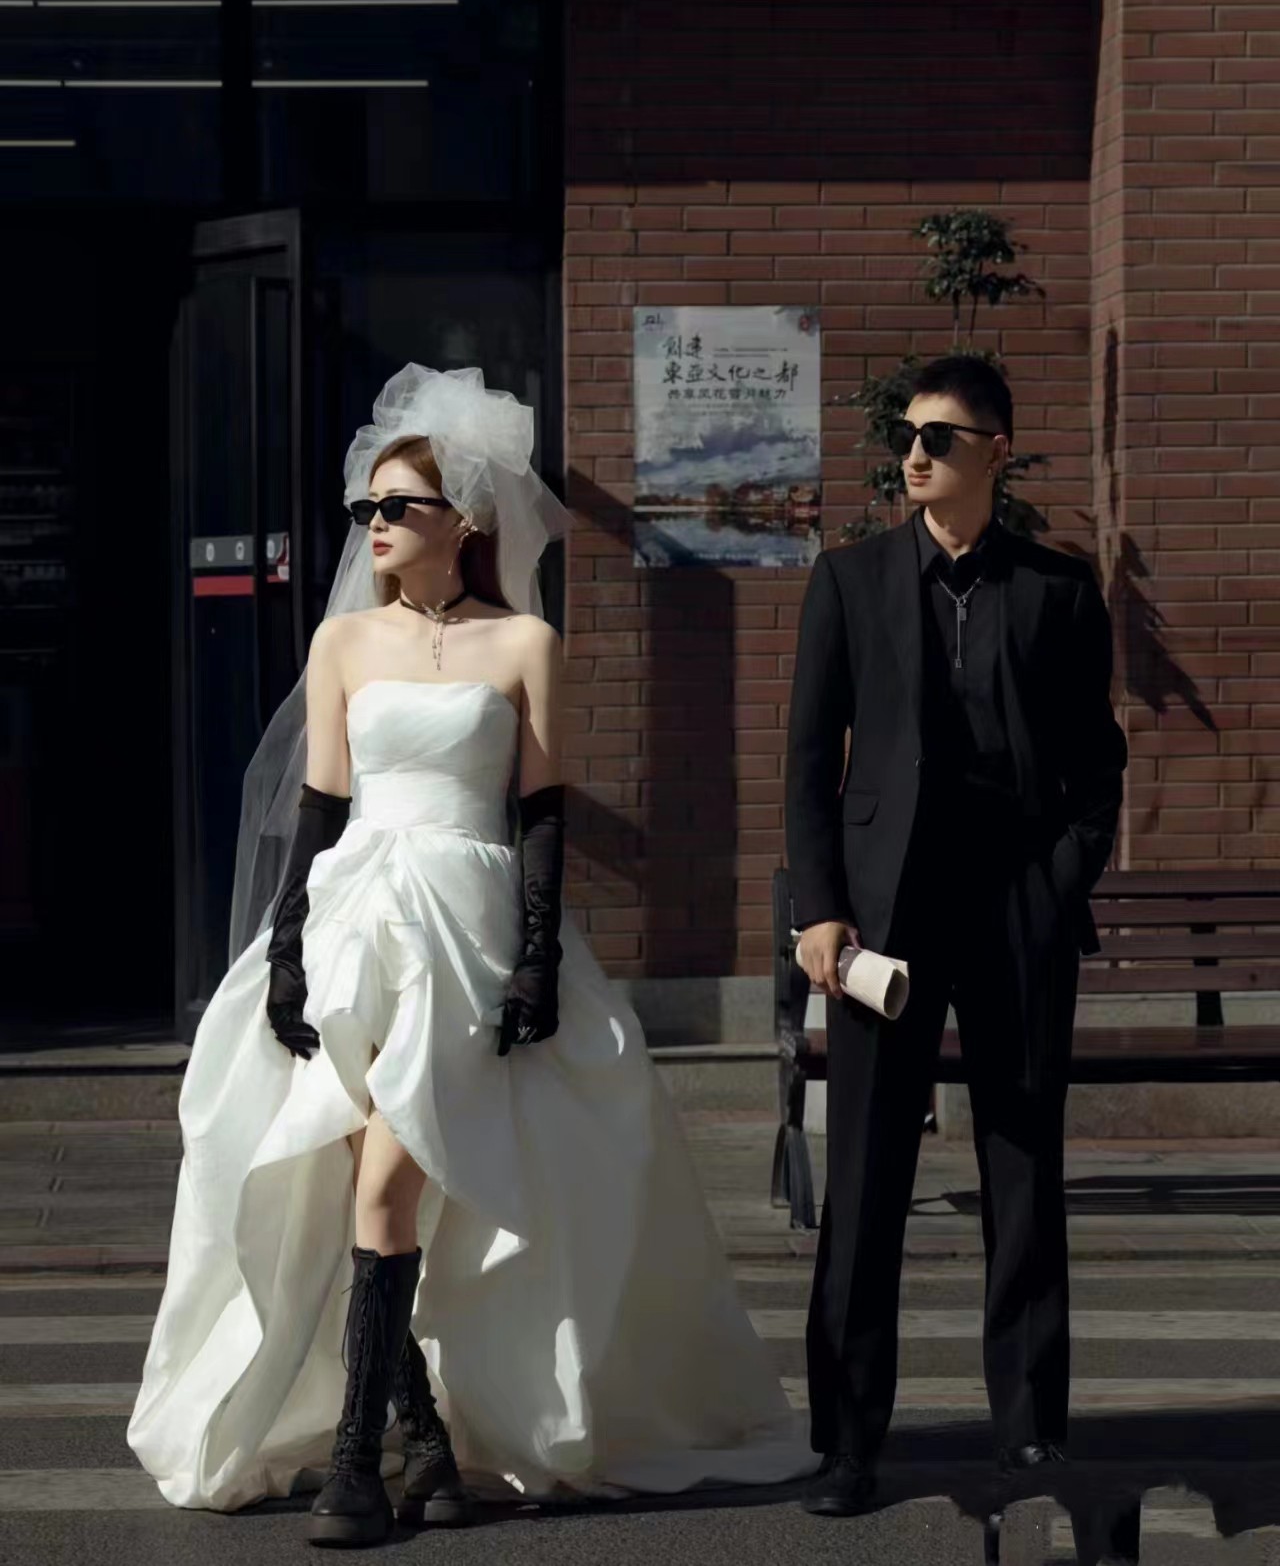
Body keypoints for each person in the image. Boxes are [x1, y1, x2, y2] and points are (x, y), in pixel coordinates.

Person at [129, 364, 812, 1545]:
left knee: (390, 1184)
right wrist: (287, 950)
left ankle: (360, 1461)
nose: (375, 523)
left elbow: (539, 809)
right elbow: (320, 809)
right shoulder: (343, 641)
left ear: (466, 520)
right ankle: (425, 1444)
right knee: (361, 1186)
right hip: (355, 917)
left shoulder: (526, 641)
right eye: (367, 506)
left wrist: (536, 956)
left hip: (469, 920)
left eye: (398, 505)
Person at [784, 354, 1127, 1517]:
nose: (915, 453)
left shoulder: (1058, 590)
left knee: (1022, 1165)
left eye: (939, 435)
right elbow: (806, 762)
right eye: (907, 434)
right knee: (863, 1174)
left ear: (994, 453)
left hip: (1014, 905)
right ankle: (845, 1441)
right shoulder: (849, 580)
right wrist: (819, 906)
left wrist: (1058, 876)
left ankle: (1028, 1431)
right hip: (883, 916)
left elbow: (1095, 764)